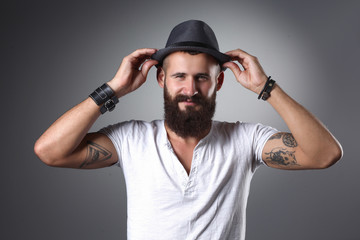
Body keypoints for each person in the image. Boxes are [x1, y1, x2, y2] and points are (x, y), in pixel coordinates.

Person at [34, 20, 343, 240]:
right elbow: (49, 151)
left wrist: (266, 87)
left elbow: (325, 154)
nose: (190, 89)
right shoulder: (131, 139)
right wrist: (113, 89)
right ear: (161, 80)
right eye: (179, 76)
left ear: (219, 82)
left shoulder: (246, 140)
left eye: (202, 78)